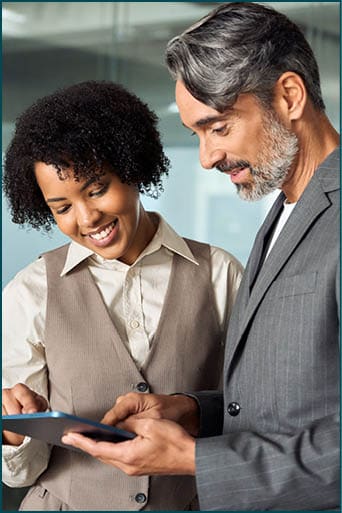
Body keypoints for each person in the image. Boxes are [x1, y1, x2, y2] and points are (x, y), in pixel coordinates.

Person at [62, 3, 340, 511]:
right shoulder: (282, 214)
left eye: (218, 127)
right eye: (197, 135)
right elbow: (296, 403)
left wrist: (196, 460)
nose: (208, 156)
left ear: (289, 96)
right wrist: (192, 411)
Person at [2, 80, 243, 511]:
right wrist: (15, 435)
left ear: (132, 168)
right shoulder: (30, 291)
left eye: (97, 189)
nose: (87, 216)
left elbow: (255, 412)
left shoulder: (220, 273)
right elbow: (22, 472)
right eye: (62, 207)